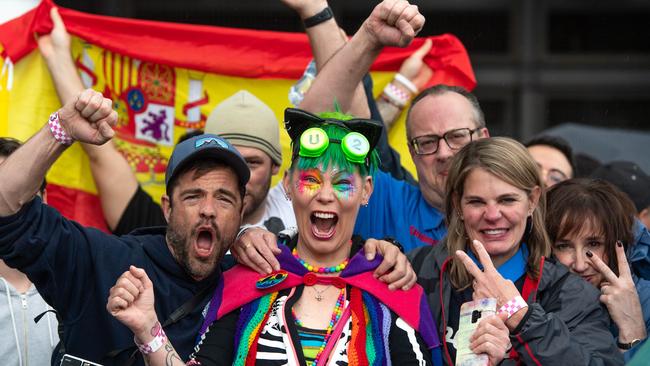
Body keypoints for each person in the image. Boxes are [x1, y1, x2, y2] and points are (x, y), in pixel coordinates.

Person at [108, 108, 441, 366]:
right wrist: (148, 328)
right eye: (310, 180)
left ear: (366, 191)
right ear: (288, 185)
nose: (326, 195)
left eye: (342, 183)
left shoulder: (391, 284)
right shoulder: (249, 278)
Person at [0, 88, 251, 365]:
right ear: (167, 208)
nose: (208, 210)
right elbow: (6, 208)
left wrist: (256, 237)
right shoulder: (104, 260)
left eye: (224, 199)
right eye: (193, 196)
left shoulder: (249, 289)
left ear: (241, 213)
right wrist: (61, 128)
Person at [37, 8, 295, 236]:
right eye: (227, 162)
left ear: (276, 167)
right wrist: (57, 56)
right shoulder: (167, 234)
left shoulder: (298, 214)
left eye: (252, 162)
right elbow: (99, 153)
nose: (241, 176)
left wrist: (315, 10)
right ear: (168, 207)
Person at [409, 137, 622, 365]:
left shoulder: (572, 294)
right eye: (476, 202)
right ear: (458, 205)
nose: (492, 215)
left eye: (507, 200)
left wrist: (519, 315)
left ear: (532, 201)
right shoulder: (416, 270)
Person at [546, 178, 650, 362]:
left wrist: (633, 331)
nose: (580, 264)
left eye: (593, 244)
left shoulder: (646, 302)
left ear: (620, 243)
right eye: (563, 246)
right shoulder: (531, 299)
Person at [0, 137, 59, 366]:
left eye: (21, 193)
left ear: (44, 199)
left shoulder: (75, 282)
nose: (10, 207)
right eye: (2, 194)